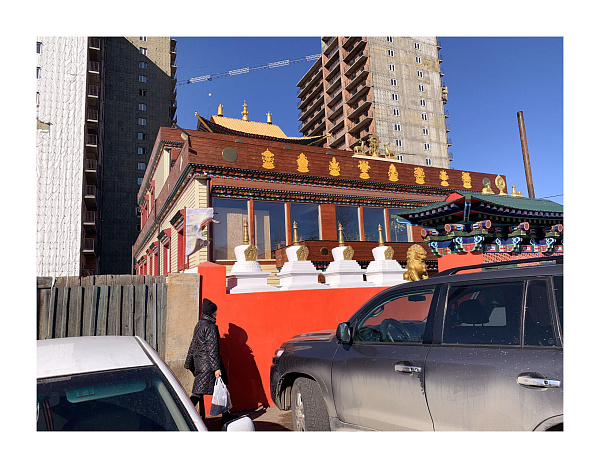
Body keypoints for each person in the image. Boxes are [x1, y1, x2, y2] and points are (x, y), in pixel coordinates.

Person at [184, 298, 222, 420]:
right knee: (198, 393)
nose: (216, 314)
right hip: (208, 366)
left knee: (220, 388)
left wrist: (188, 362)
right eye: (215, 312)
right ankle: (185, 414)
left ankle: (225, 415)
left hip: (200, 364)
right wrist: (216, 368)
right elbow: (212, 348)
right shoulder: (210, 327)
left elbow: (193, 344)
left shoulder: (199, 325)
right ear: (211, 313)